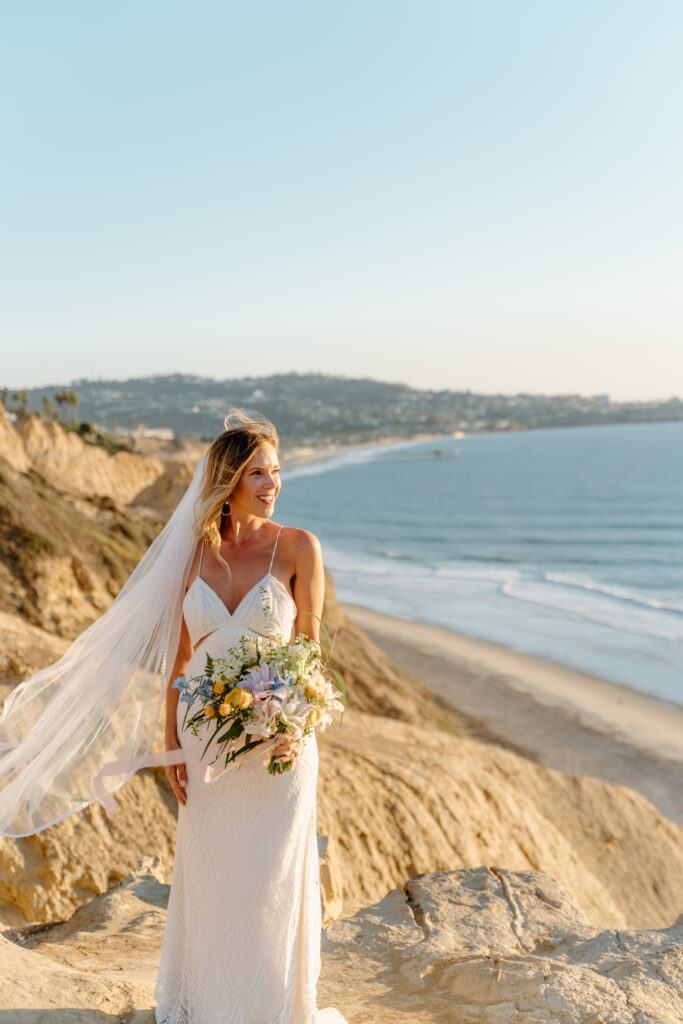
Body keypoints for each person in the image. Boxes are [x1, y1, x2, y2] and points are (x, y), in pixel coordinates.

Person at [0, 409, 348, 1024]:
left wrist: (298, 725)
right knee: (214, 876)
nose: (272, 484)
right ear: (228, 480)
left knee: (270, 878)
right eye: (258, 473)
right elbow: (181, 662)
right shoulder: (194, 555)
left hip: (279, 747)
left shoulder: (299, 548)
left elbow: (309, 650)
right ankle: (211, 1005)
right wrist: (170, 740)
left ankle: (272, 1008)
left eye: (276, 471)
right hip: (206, 742)